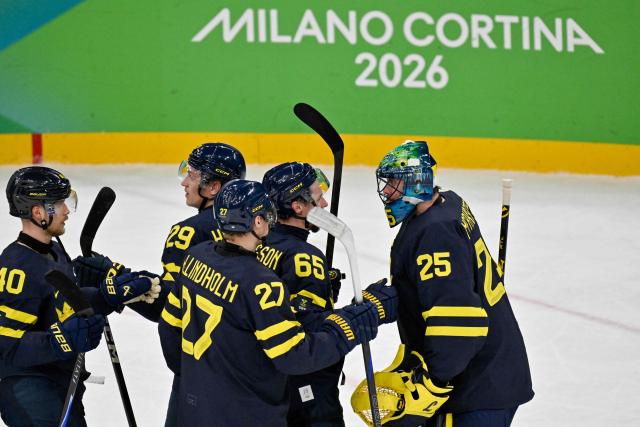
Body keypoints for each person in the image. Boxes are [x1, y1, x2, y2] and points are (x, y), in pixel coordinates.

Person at [158, 179, 380, 427]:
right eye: (266, 213)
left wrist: (201, 380)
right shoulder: (261, 282)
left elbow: (168, 328)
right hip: (247, 414)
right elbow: (294, 356)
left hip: (194, 408)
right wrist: (349, 325)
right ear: (257, 222)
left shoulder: (196, 256)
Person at [351, 141, 533, 426]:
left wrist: (431, 384)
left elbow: (458, 323)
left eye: (395, 183)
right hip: (489, 370)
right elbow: (435, 287)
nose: (386, 191)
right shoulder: (447, 203)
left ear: (418, 184)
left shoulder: (435, 233)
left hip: (477, 385)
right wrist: (390, 301)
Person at [72, 142, 247, 426]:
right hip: (249, 367)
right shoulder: (258, 226)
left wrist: (113, 280)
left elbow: (170, 306)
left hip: (201, 368)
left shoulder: (189, 232)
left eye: (192, 174)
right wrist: (117, 273)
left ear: (213, 187)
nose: (184, 181)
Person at [0, 166, 157, 427]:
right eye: (59, 203)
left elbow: (60, 306)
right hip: (28, 388)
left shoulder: (53, 250)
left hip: (58, 381)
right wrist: (60, 341)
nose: (66, 211)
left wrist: (106, 296)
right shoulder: (16, 267)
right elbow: (6, 343)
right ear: (38, 212)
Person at [260, 162, 398, 427]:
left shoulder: (262, 241)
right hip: (306, 385)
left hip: (269, 381)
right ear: (298, 207)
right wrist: (357, 314)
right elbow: (311, 332)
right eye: (316, 195)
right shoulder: (304, 257)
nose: (323, 203)